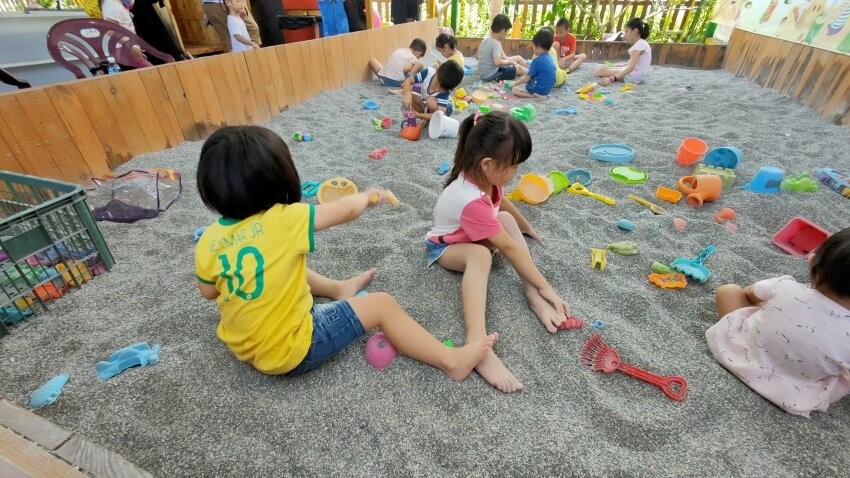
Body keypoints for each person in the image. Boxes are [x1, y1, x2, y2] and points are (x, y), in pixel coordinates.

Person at [195, 126, 497, 379]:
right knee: (382, 305)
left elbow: (209, 292)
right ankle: (451, 361)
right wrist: (367, 196)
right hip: (292, 350)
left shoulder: (209, 239)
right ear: (278, 178)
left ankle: (338, 288)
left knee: (282, 265)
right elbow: (345, 209)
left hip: (243, 347)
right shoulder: (285, 218)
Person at [424, 112, 572, 393]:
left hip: (472, 235)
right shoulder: (470, 200)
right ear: (489, 164)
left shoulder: (487, 178)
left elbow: (501, 205)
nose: (517, 171)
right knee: (480, 256)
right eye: (515, 165)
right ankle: (476, 345)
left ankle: (532, 295)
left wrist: (526, 226)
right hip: (445, 248)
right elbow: (507, 248)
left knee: (507, 221)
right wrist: (547, 287)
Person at [707, 227, 850, 417]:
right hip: (794, 394)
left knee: (729, 291)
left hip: (735, 353)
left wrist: (769, 309)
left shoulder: (785, 286)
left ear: (813, 261)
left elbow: (749, 293)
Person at [593, 18, 651, 86]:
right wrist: (613, 66)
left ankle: (617, 77)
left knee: (599, 72)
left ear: (635, 31)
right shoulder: (642, 43)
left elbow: (629, 68)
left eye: (626, 32)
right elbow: (630, 64)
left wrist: (612, 79)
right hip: (638, 75)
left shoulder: (638, 46)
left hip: (633, 76)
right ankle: (612, 70)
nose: (625, 35)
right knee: (606, 67)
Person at [100, 0, 152, 67]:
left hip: (127, 49)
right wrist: (129, 46)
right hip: (125, 50)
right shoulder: (112, 4)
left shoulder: (117, 3)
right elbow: (110, 31)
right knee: (153, 73)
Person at [477, 13, 528, 82]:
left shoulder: (486, 40)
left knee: (518, 57)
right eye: (507, 33)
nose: (506, 35)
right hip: (492, 75)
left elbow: (477, 56)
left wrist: (512, 61)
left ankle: (532, 69)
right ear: (503, 31)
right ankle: (531, 73)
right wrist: (510, 63)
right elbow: (497, 63)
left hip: (484, 74)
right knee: (519, 70)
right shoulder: (495, 43)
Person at [509, 28, 557, 98]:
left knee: (514, 90)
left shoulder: (537, 60)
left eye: (534, 46)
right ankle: (543, 95)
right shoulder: (550, 58)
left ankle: (533, 96)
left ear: (539, 47)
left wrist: (515, 83)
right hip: (547, 90)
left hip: (536, 89)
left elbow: (527, 79)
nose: (533, 48)